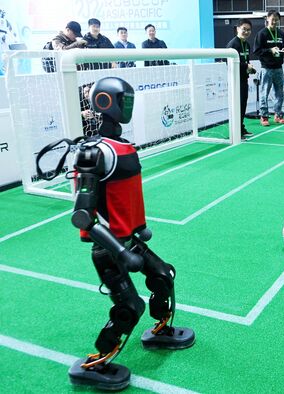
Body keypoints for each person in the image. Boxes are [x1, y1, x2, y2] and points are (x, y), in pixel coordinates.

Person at [62, 77, 195, 390]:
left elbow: (125, 196)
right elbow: (83, 217)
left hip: (129, 240)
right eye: (125, 100)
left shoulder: (119, 146)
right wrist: (120, 252)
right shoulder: (94, 153)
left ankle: (161, 329)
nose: (129, 107)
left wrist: (137, 230)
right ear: (106, 102)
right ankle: (96, 362)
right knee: (129, 306)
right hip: (109, 249)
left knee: (163, 275)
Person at [253, 10, 284, 126]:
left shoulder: (281, 33)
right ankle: (264, 116)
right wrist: (270, 50)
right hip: (266, 68)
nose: (274, 21)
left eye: (276, 19)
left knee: (280, 93)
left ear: (279, 20)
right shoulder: (262, 34)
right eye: (272, 19)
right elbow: (257, 51)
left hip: (279, 68)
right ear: (267, 19)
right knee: (264, 93)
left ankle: (278, 114)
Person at [226, 18, 257, 139]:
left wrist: (250, 68)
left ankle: (240, 128)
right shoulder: (233, 44)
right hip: (235, 81)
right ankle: (235, 131)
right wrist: (246, 66)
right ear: (238, 29)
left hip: (244, 80)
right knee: (237, 106)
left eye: (249, 30)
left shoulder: (246, 44)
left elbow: (245, 62)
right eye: (244, 29)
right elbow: (228, 62)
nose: (246, 32)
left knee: (243, 105)